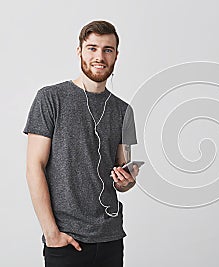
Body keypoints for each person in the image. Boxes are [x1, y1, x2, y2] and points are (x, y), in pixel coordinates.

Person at [23, 20, 139, 267]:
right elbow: (34, 166)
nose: (100, 56)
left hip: (111, 238)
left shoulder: (124, 111)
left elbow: (122, 177)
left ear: (116, 56)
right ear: (79, 51)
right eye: (92, 48)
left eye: (107, 49)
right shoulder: (50, 98)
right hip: (66, 240)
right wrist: (51, 234)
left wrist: (127, 181)